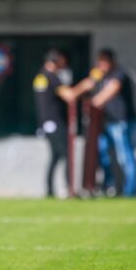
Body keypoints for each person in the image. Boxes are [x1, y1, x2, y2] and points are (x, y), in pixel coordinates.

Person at [33, 49, 94, 197]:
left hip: (47, 123)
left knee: (55, 156)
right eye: (60, 63)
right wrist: (84, 86)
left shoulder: (40, 77)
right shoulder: (51, 77)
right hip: (55, 122)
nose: (62, 67)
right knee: (66, 154)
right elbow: (70, 96)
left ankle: (49, 190)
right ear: (53, 63)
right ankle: (69, 189)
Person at [89, 48, 136, 196]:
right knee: (102, 152)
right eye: (99, 62)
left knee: (125, 157)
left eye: (103, 62)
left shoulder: (119, 73)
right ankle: (108, 186)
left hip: (121, 122)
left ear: (111, 61)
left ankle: (129, 192)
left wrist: (95, 101)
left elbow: (112, 89)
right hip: (107, 123)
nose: (100, 65)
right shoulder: (102, 76)